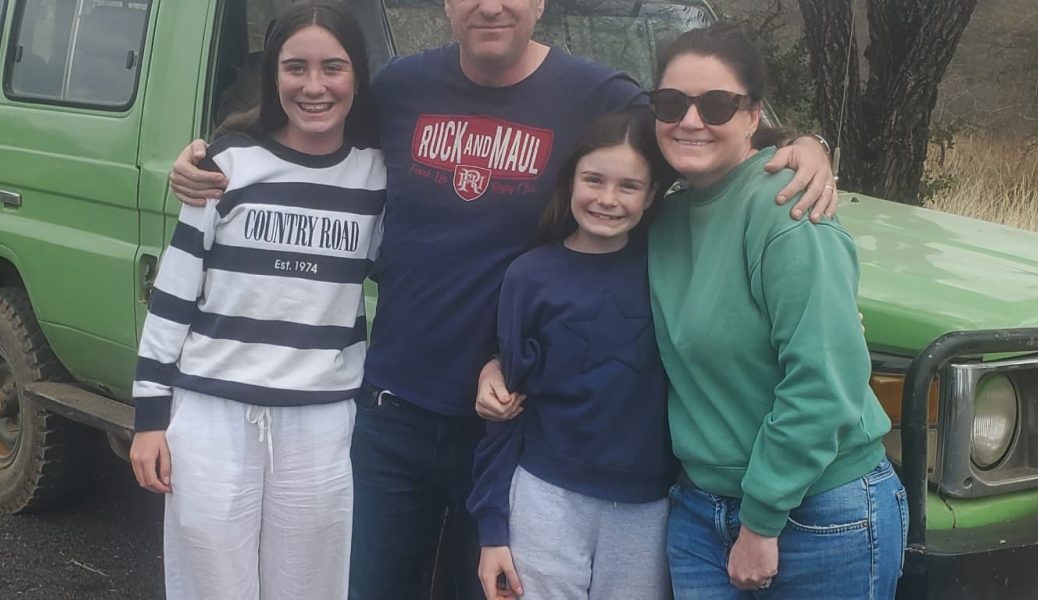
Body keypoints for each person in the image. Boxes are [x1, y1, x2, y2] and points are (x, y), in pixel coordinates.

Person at [168, 1, 840, 596]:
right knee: (369, 586)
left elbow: (695, 127)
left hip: (514, 426)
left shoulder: (594, 94)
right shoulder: (402, 87)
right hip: (391, 411)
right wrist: (217, 147)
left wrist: (804, 145)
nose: (491, 7)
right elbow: (308, 116)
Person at [126, 3, 385, 598]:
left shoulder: (377, 177)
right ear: (273, 76)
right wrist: (149, 419)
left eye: (333, 68)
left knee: (312, 585)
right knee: (211, 582)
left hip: (320, 420)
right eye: (295, 67)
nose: (313, 86)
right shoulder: (225, 166)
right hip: (212, 415)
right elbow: (173, 295)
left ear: (358, 77)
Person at [645, 24, 904, 598]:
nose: (690, 120)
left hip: (815, 511)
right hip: (697, 509)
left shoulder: (788, 210)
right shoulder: (659, 216)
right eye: (670, 102)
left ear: (753, 114)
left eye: (717, 105)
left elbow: (824, 380)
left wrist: (761, 520)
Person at [468, 108, 675, 600]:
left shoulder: (672, 264)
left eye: (628, 186)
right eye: (593, 180)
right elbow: (506, 410)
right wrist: (492, 527)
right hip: (546, 498)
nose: (607, 199)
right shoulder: (530, 275)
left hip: (647, 506)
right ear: (570, 181)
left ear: (651, 196)